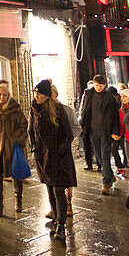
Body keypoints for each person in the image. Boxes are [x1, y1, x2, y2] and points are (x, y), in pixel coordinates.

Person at [30, 79, 76, 245]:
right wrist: (35, 147)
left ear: (47, 96)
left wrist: (59, 150)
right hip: (43, 157)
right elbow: (32, 130)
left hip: (58, 156)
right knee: (49, 189)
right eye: (35, 93)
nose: (36, 96)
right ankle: (56, 219)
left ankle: (61, 226)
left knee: (58, 190)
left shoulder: (58, 110)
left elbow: (68, 133)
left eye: (40, 94)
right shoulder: (34, 109)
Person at [0, 80, 29, 216]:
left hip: (12, 147)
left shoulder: (15, 109)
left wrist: (15, 139)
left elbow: (23, 125)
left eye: (5, 95)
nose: (2, 97)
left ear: (8, 95)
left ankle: (18, 201)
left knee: (17, 176)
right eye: (0, 95)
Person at [81, 73, 122, 195]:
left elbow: (115, 117)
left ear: (105, 85)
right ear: (93, 84)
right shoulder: (89, 95)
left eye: (101, 85)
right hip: (92, 129)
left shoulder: (109, 98)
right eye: (97, 85)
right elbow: (84, 111)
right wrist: (83, 127)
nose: (99, 88)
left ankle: (105, 183)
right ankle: (109, 175)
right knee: (98, 155)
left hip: (106, 130)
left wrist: (115, 131)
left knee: (104, 156)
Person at [51, 83, 82, 218]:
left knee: (65, 178)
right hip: (52, 151)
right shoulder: (45, 112)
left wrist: (67, 140)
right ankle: (55, 207)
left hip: (64, 150)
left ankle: (68, 203)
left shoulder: (66, 110)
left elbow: (77, 128)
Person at [78, 80, 99, 170]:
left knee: (96, 145)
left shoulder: (97, 96)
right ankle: (89, 163)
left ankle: (99, 164)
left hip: (94, 124)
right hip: (86, 123)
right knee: (87, 145)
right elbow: (82, 108)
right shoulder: (85, 95)